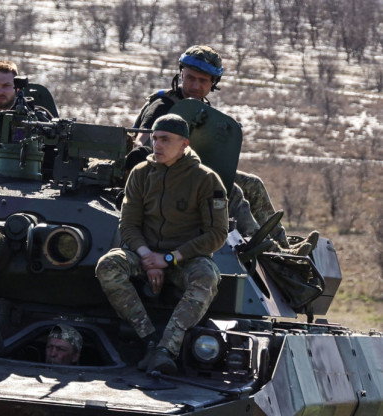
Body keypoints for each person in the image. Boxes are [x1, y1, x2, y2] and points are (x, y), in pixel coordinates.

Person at [128, 45, 315, 252]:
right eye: (190, 78)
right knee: (229, 190)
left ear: (213, 83)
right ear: (181, 73)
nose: (195, 86)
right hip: (164, 176)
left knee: (253, 184)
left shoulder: (201, 110)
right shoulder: (163, 106)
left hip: (191, 172)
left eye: (203, 81)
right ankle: (268, 251)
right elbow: (141, 144)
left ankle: (285, 246)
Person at [96, 115, 228, 375]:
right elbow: (128, 224)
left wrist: (169, 259)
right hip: (144, 254)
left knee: (206, 276)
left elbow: (217, 233)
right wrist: (147, 257)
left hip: (186, 259)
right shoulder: (140, 174)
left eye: (165, 140)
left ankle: (167, 349)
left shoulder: (206, 179)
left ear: (184, 144)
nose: (157, 145)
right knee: (108, 264)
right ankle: (150, 340)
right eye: (155, 138)